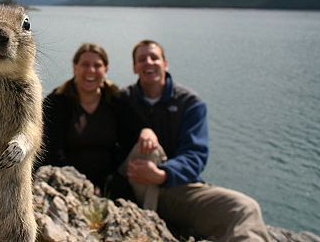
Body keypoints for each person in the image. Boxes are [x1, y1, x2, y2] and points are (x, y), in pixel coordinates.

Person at [120, 39, 271, 242]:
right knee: (147, 149)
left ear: (165, 64)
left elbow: (195, 155)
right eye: (142, 59)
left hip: (175, 190)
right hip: (134, 184)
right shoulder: (122, 99)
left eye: (154, 57)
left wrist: (163, 174)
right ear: (134, 67)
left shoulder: (190, 103)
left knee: (245, 208)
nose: (148, 62)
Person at [38, 42, 130, 197]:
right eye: (85, 64)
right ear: (75, 67)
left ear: (106, 69)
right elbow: (51, 151)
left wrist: (147, 132)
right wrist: (81, 184)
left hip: (109, 179)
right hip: (66, 178)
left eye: (97, 65)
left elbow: (131, 138)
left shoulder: (117, 100)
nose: (91, 70)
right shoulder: (57, 102)